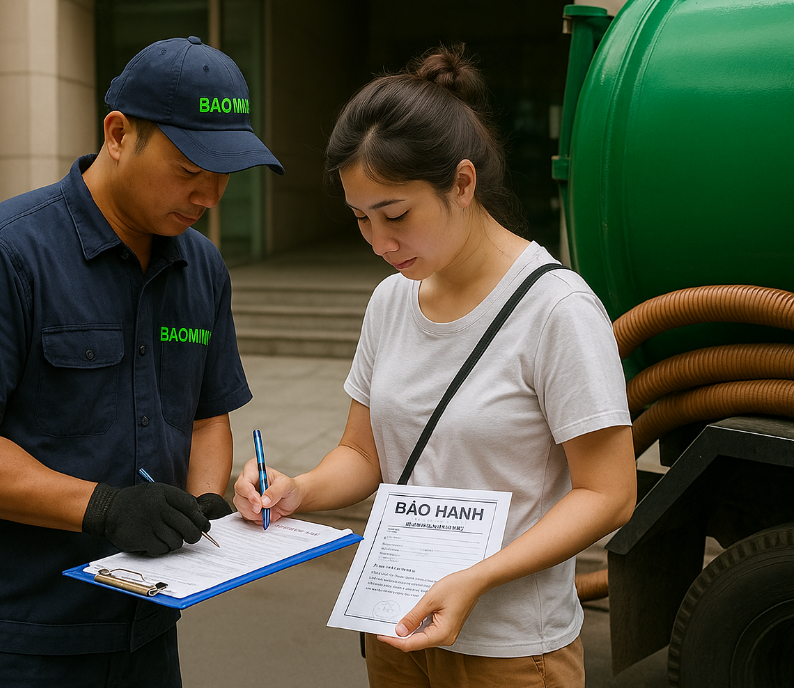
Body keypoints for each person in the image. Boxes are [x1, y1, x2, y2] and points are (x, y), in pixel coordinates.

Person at [233, 44, 635, 687]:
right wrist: (300, 489)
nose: (380, 243)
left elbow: (609, 493)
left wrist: (477, 577)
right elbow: (364, 454)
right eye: (361, 219)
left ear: (464, 183)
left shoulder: (557, 309)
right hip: (397, 627)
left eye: (395, 215)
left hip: (510, 649)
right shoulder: (391, 301)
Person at [0, 36, 283, 687]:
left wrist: (201, 499)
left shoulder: (202, 268)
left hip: (146, 628)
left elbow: (206, 417)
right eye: (190, 168)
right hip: (15, 640)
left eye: (226, 174)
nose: (209, 195)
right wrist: (105, 508)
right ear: (117, 133)